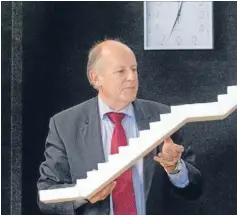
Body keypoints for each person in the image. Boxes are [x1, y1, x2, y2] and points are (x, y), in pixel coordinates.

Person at [37, 39, 202, 215]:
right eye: (121, 71)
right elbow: (47, 196)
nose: (131, 77)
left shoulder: (163, 117)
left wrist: (175, 168)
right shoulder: (65, 125)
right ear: (95, 78)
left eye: (134, 69)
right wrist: (84, 194)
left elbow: (195, 189)